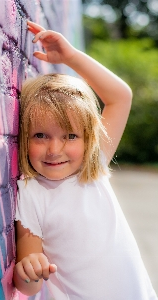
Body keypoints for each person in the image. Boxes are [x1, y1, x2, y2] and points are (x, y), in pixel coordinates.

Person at [13, 20, 158, 300]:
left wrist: (70, 57)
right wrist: (28, 269)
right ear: (24, 137)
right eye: (41, 135)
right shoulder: (32, 193)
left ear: (88, 139)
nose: (55, 149)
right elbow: (27, 286)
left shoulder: (93, 166)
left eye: (70, 136)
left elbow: (120, 96)